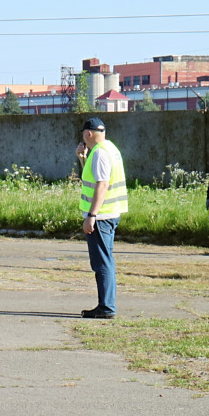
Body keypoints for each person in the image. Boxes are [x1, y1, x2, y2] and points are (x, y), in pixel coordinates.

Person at [75, 117, 128, 319]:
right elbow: (93, 177)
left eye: (83, 133)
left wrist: (92, 216)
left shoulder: (100, 154)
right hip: (110, 212)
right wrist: (82, 158)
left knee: (102, 263)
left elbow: (102, 185)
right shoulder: (109, 149)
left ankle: (106, 307)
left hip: (102, 216)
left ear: (88, 134)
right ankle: (106, 305)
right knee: (105, 261)